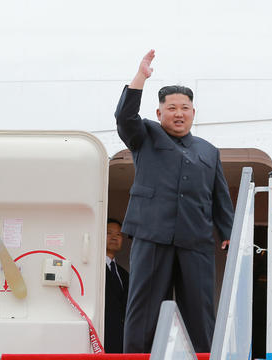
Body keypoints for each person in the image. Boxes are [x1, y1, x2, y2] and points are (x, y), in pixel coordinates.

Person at [115, 49, 234, 353]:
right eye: (171, 108)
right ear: (159, 113)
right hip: (151, 234)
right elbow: (124, 117)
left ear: (193, 112)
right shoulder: (146, 135)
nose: (178, 113)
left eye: (185, 107)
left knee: (200, 311)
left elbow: (219, 195)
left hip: (196, 239)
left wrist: (229, 233)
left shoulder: (209, 151)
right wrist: (140, 76)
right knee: (144, 310)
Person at [104, 218, 130, 353]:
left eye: (119, 234)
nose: (114, 237)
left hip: (121, 341)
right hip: (102, 338)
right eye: (109, 233)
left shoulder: (124, 274)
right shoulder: (94, 271)